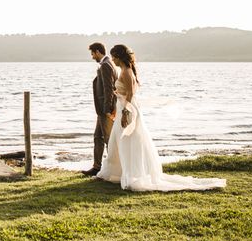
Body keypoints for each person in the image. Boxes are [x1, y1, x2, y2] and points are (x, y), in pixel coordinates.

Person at [96, 44, 226, 191]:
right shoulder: (124, 71)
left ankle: (132, 174)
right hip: (122, 108)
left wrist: (126, 113)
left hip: (128, 110)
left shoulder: (126, 72)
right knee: (119, 141)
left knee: (127, 142)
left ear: (119, 57)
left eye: (114, 57)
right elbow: (126, 93)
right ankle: (116, 173)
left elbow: (131, 95)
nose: (112, 60)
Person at [82, 42, 118, 176]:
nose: (92, 57)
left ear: (98, 52)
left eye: (92, 54)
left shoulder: (106, 65)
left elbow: (109, 89)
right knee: (98, 137)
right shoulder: (108, 64)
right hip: (101, 109)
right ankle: (97, 167)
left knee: (109, 139)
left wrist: (107, 109)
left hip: (105, 109)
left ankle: (115, 168)